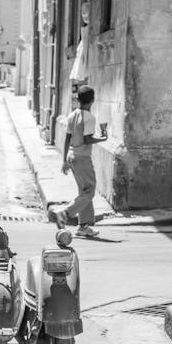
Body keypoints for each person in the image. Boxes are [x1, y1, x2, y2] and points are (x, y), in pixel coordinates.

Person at [53, 85, 108, 237]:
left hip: (72, 156)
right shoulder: (89, 117)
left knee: (84, 192)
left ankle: (84, 226)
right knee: (89, 192)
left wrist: (64, 160)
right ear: (92, 100)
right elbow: (87, 139)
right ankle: (65, 213)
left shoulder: (72, 115)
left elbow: (67, 138)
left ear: (78, 99)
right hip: (83, 158)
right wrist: (103, 137)